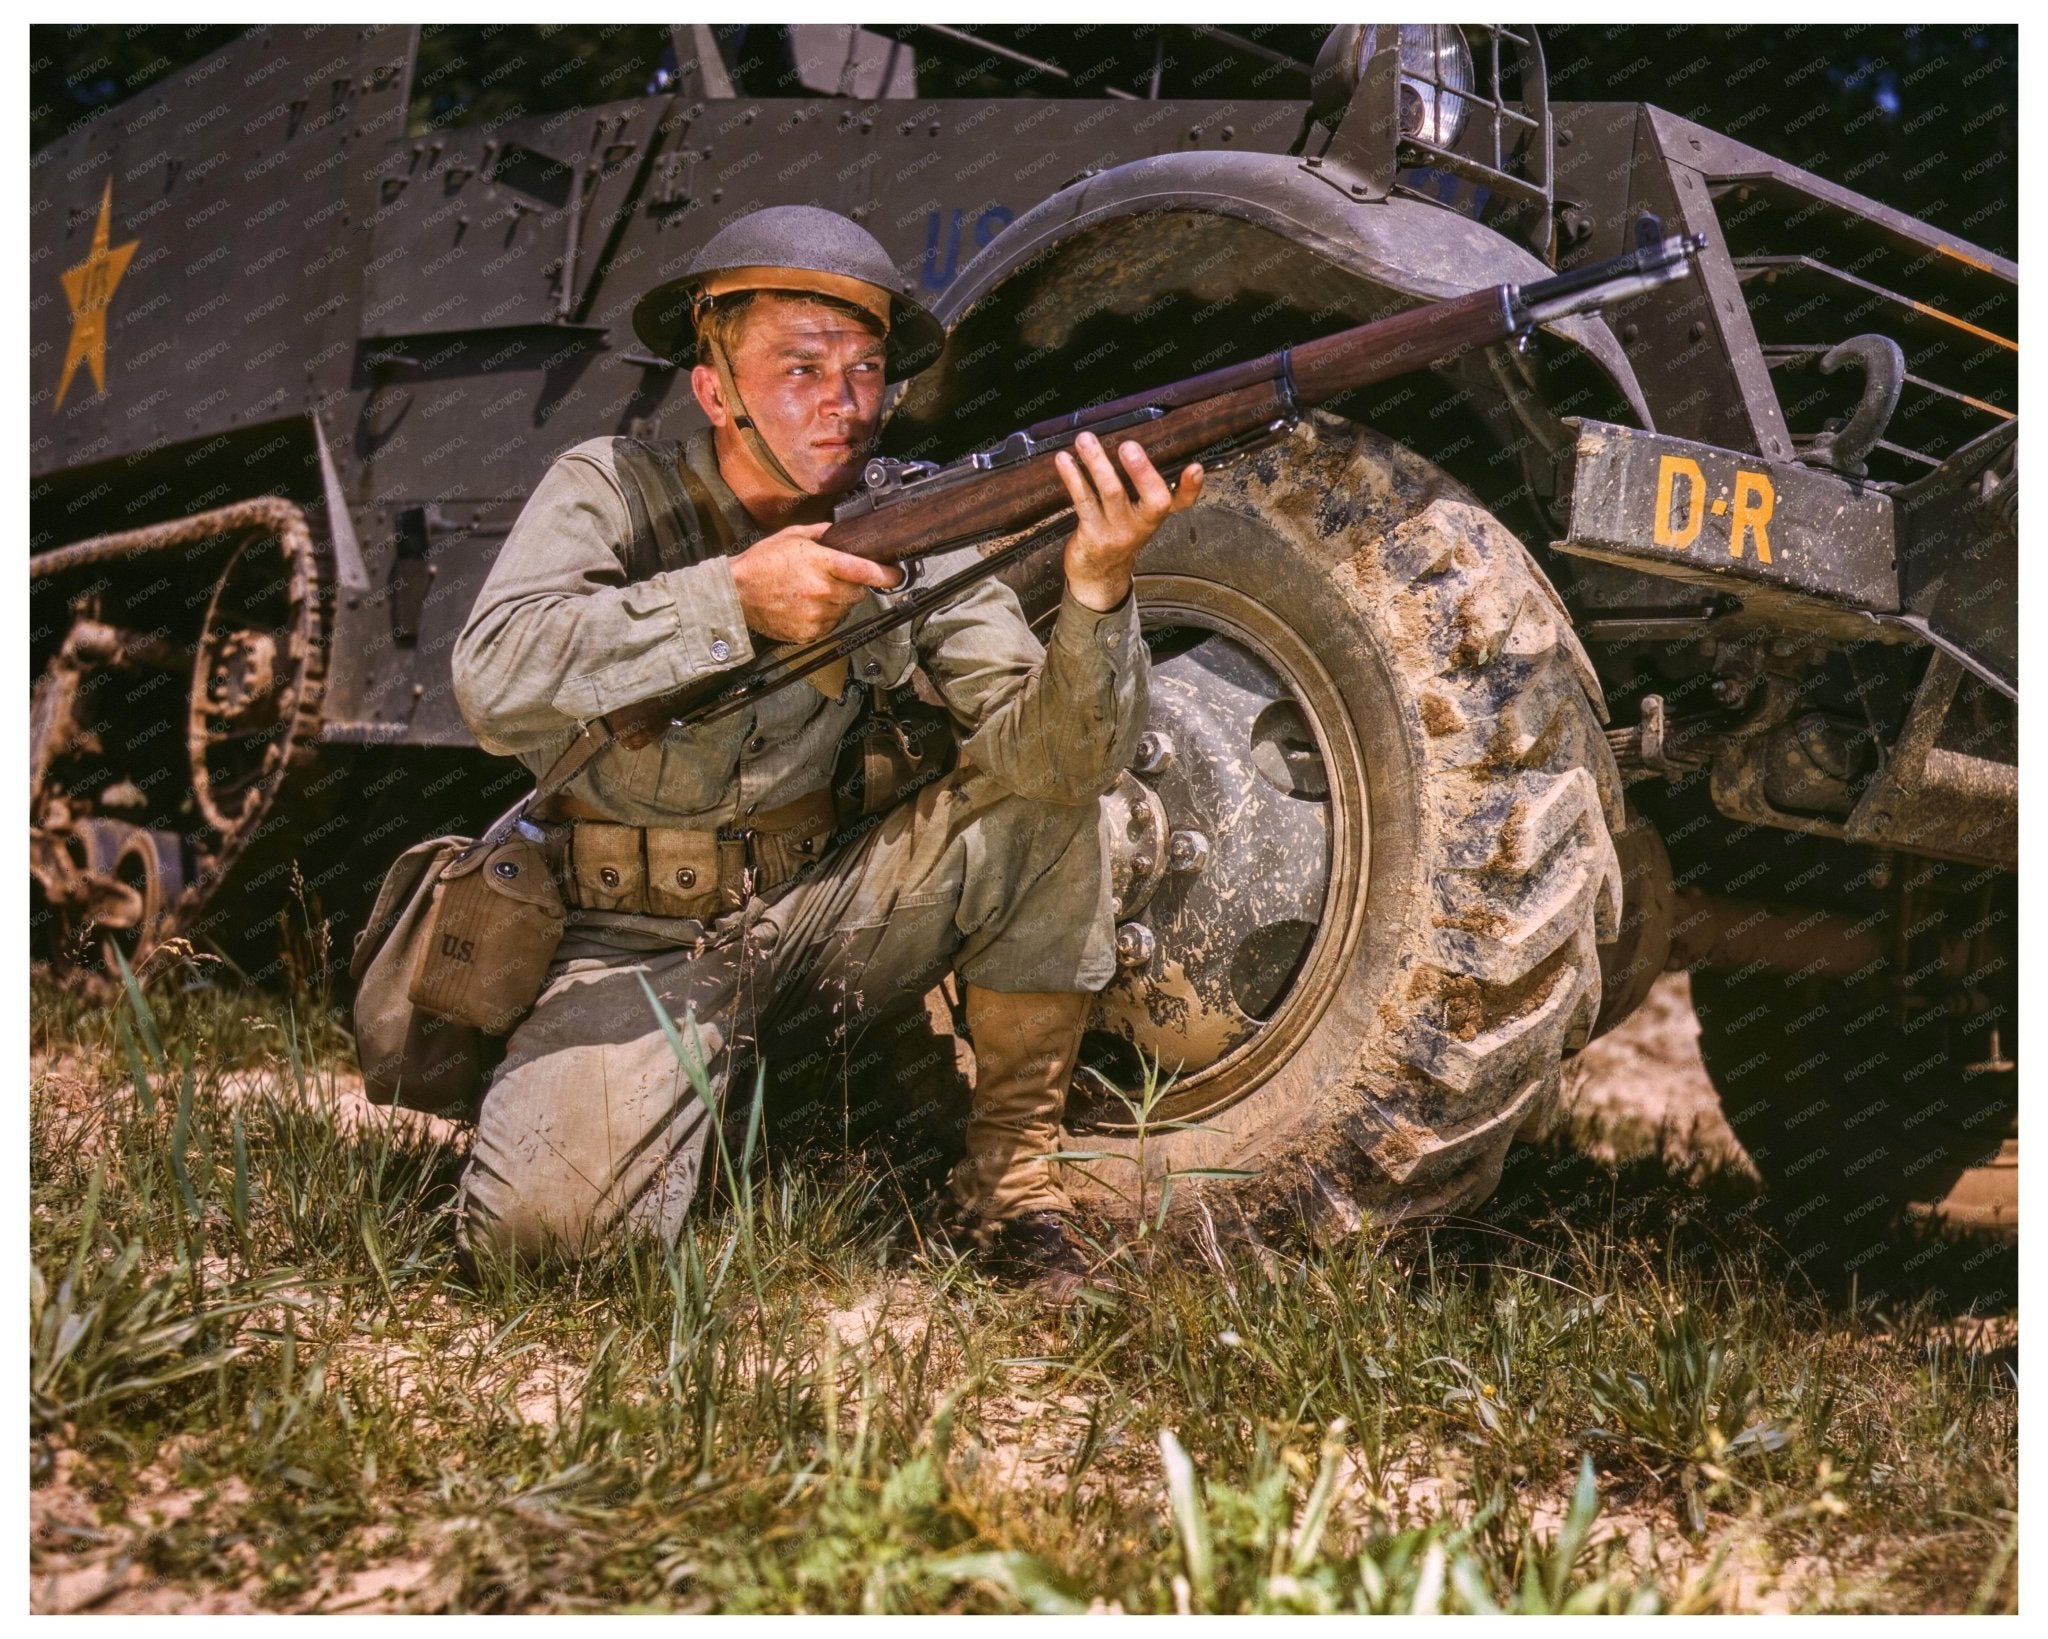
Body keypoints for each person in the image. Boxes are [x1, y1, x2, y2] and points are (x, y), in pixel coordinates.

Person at [449, 204, 1202, 1293]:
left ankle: (1009, 1190)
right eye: (800, 368)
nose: (843, 406)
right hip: (634, 935)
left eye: (863, 373)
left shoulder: (911, 519)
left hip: (834, 915)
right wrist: (728, 601)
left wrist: (1096, 588)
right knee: (547, 1249)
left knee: (1044, 805)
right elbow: (490, 682)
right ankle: (745, 1097)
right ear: (715, 390)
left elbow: (1055, 763)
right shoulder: (608, 488)